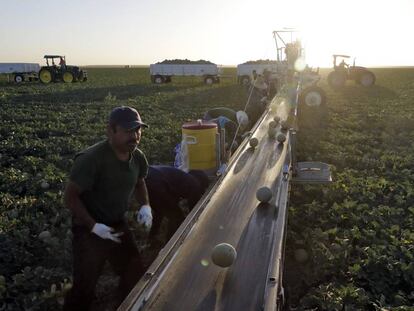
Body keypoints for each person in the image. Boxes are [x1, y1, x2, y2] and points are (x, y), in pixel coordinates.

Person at [63, 106, 152, 311]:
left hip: (117, 224)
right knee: (85, 286)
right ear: (110, 130)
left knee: (133, 273)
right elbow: (70, 198)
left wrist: (146, 205)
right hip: (88, 230)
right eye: (129, 130)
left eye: (138, 130)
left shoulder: (137, 157)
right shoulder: (91, 159)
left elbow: (140, 182)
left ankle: (125, 305)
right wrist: (94, 227)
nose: (135, 136)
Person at [145, 165, 209, 245]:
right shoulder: (194, 184)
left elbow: (163, 207)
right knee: (177, 218)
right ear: (202, 183)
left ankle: (151, 239)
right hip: (156, 181)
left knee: (160, 211)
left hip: (149, 176)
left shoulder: (180, 179)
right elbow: (194, 213)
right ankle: (169, 246)